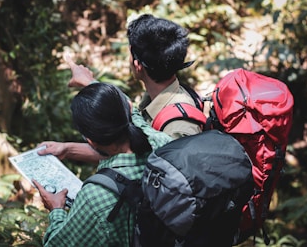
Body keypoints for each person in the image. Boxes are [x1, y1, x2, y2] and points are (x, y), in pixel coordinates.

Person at [38, 14, 201, 162]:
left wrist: (91, 83)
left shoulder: (179, 126)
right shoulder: (156, 98)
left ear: (137, 65)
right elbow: (126, 151)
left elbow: (146, 169)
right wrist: (67, 150)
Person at [33, 82, 172, 247]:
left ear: (91, 140)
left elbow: (56, 244)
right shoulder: (162, 143)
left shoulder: (96, 196)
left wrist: (56, 209)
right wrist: (68, 149)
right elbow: (131, 110)